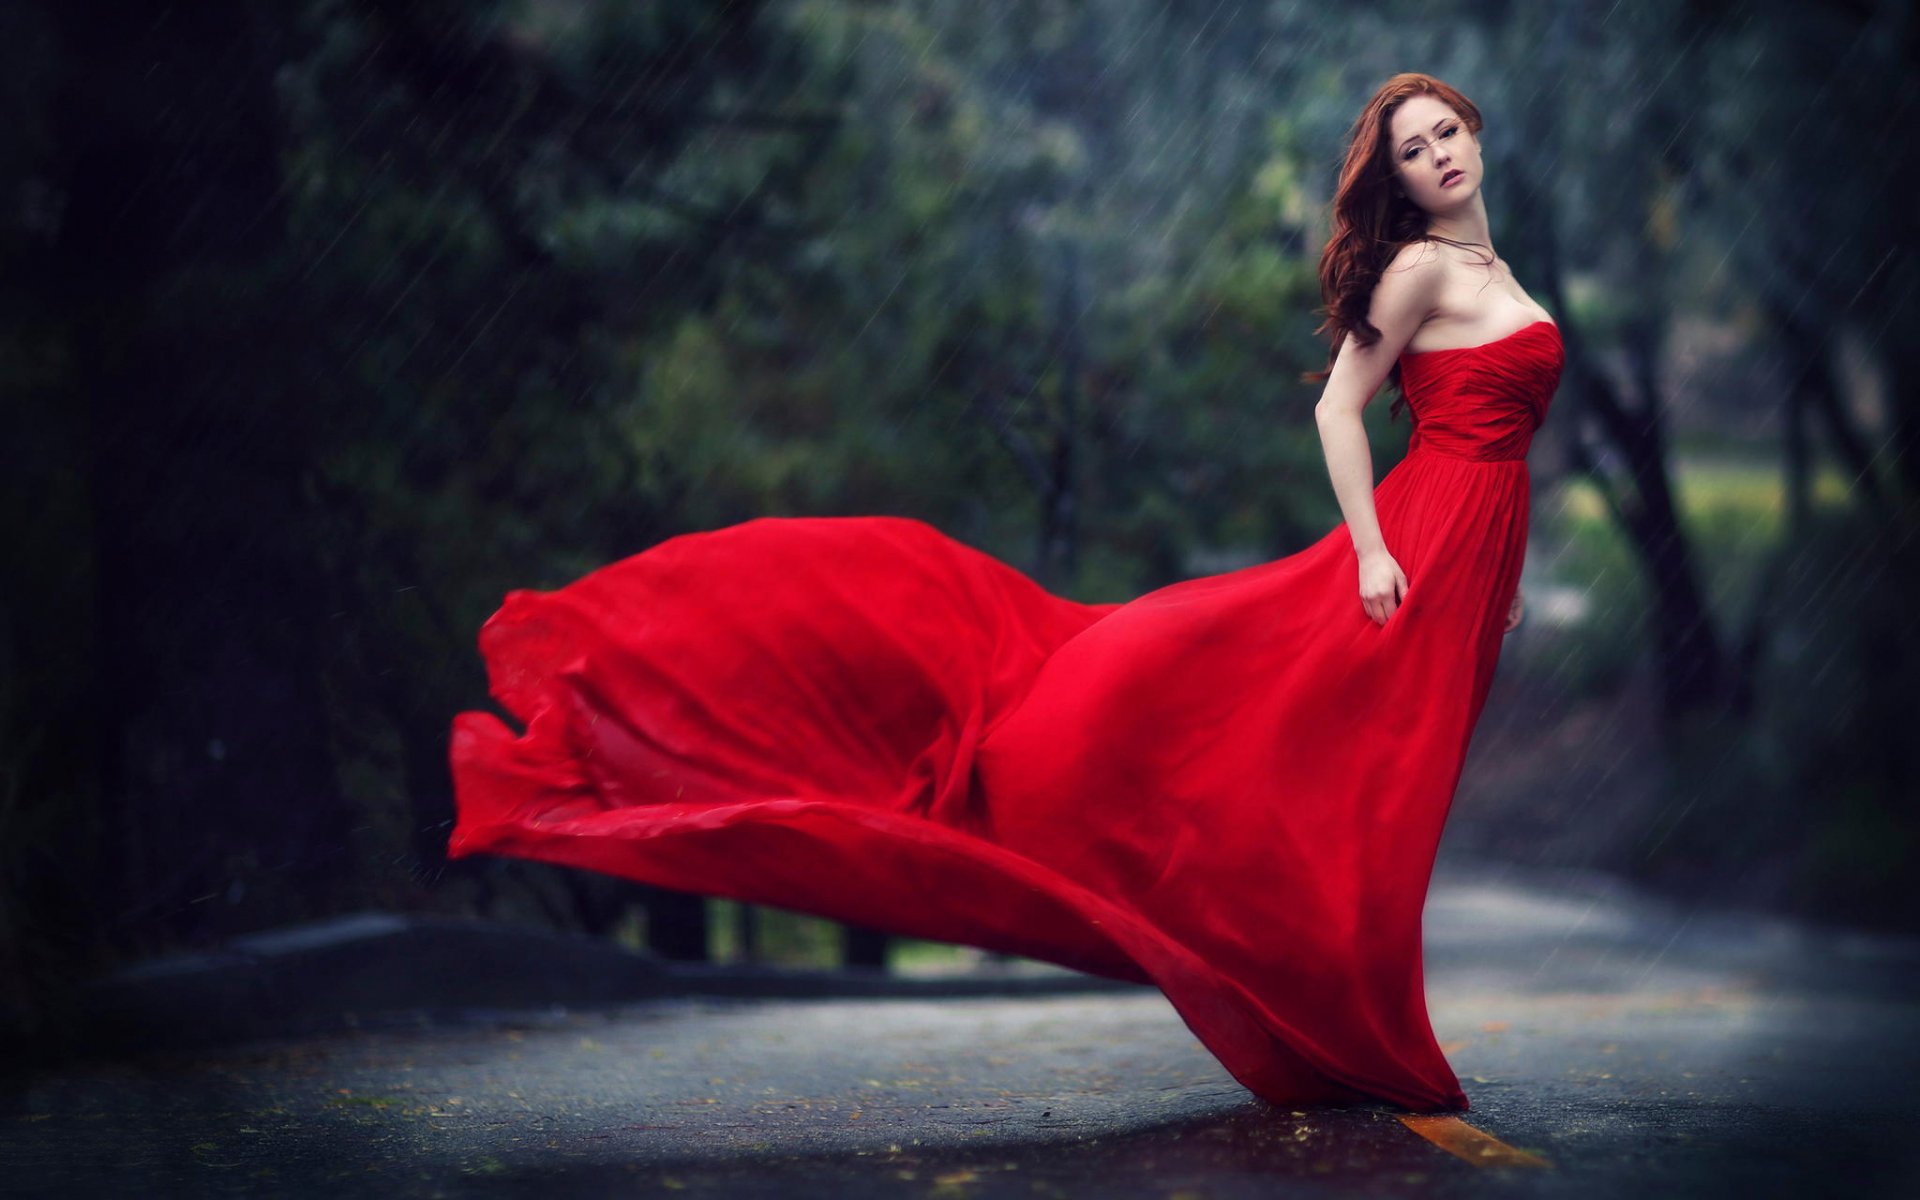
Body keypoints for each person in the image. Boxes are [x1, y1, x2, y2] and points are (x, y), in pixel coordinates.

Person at [447, 71, 1560, 1116]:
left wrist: (1503, 571)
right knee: (1337, 765)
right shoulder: (1421, 270)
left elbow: (1500, 442)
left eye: (1444, 132)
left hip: (1470, 556)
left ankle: (1341, 1011)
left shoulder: (1501, 276)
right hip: (1413, 548)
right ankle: (1350, 1017)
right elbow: (1337, 408)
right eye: (1411, 150)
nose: (1436, 155)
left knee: (1384, 777)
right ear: (1396, 178)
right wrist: (1370, 549)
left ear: (1473, 130)